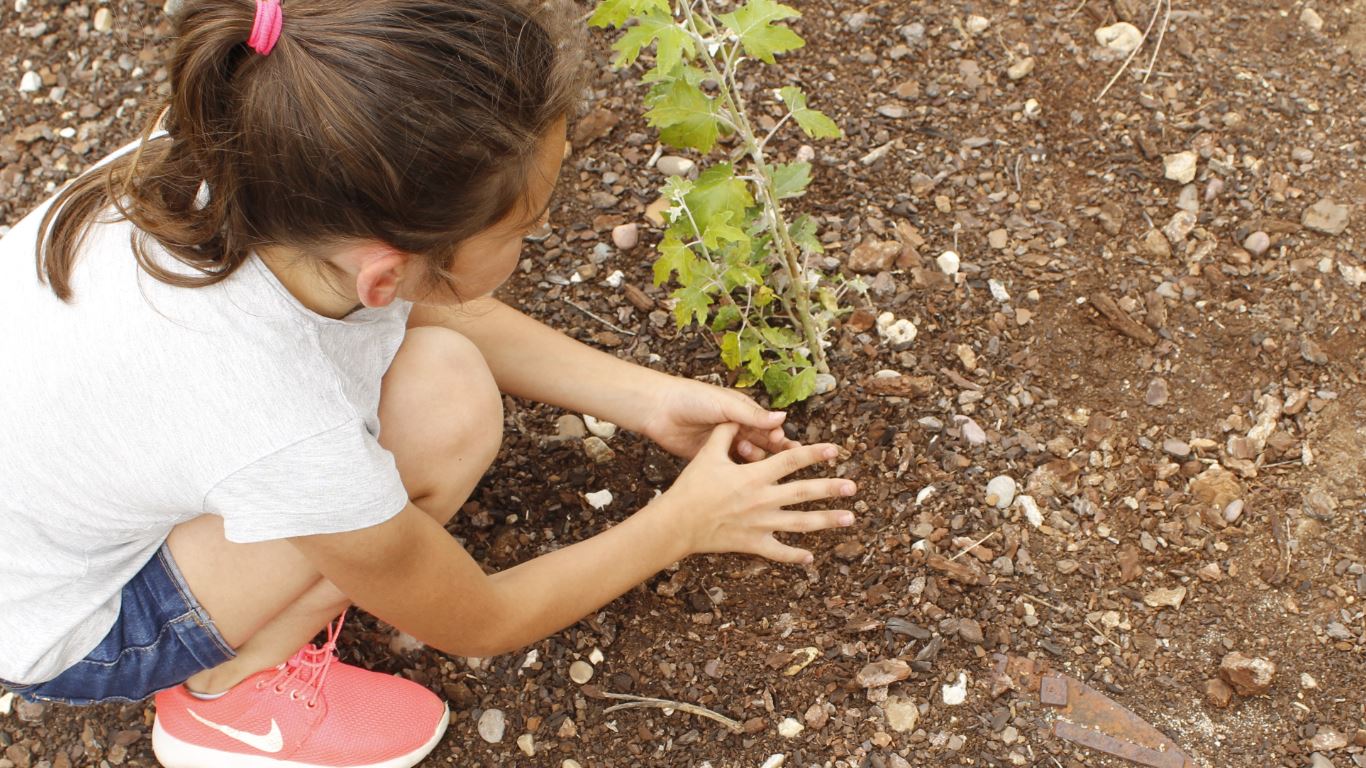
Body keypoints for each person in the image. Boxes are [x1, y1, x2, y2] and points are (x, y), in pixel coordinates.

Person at [0, 1, 858, 766]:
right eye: (528, 222)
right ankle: (228, 699)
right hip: (71, 623)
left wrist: (642, 397)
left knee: (438, 379)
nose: (542, 229)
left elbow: (421, 299)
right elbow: (477, 620)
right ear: (387, 267)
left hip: (51, 493)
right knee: (446, 413)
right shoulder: (282, 416)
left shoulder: (249, 155)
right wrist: (684, 522)